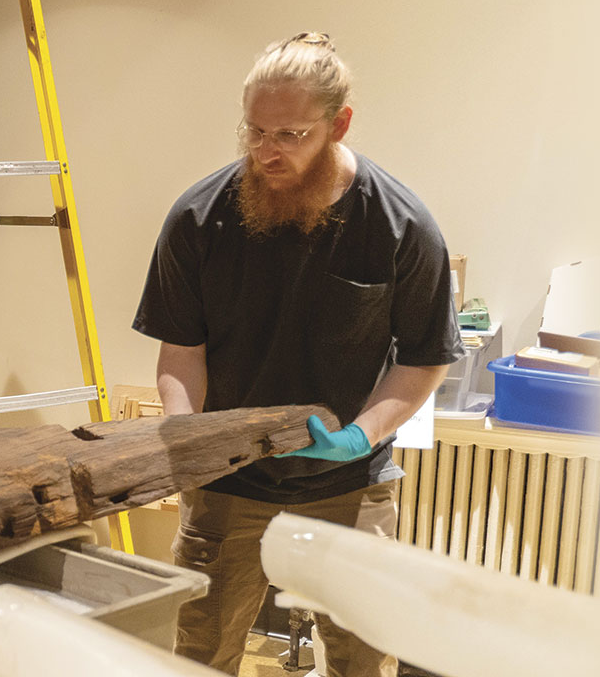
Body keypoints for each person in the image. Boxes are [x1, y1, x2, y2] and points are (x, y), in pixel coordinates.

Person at [132, 33, 462, 677]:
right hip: (227, 483)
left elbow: (424, 358)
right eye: (253, 132)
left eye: (289, 134)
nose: (266, 152)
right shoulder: (200, 219)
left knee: (363, 658)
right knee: (201, 655)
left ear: (338, 125)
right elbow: (182, 352)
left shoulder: (401, 225)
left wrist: (360, 436)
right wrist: (187, 437)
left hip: (348, 481)